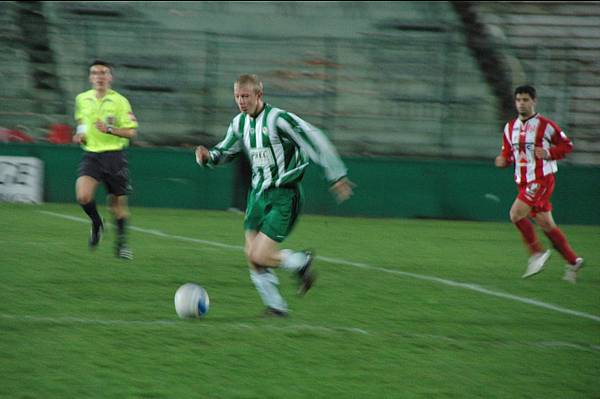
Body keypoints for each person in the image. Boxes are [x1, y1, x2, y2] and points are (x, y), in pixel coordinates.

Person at [195, 74, 354, 316]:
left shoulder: (278, 119)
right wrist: (208, 157)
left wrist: (336, 175)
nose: (241, 101)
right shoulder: (239, 124)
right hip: (257, 195)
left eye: (245, 96)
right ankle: (276, 307)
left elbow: (314, 136)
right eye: (237, 96)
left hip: (284, 196)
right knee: (252, 256)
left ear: (259, 95)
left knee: (260, 254)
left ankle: (300, 262)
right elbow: (225, 150)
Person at [495, 85, 583, 282]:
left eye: (525, 99)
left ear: (534, 101)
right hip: (523, 181)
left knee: (515, 214)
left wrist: (549, 153)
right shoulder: (510, 128)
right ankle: (572, 261)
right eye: (518, 100)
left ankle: (536, 252)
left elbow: (567, 146)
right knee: (546, 223)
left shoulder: (545, 125)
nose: (521, 103)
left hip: (541, 178)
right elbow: (508, 153)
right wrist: (502, 160)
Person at [72, 60, 138, 259]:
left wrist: (109, 129)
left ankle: (121, 244)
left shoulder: (120, 101)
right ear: (90, 77)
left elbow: (131, 132)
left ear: (110, 77)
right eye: (95, 73)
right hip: (91, 155)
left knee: (117, 206)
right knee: (83, 196)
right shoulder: (82, 99)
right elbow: (81, 121)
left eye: (103, 73)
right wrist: (80, 134)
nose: (99, 76)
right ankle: (96, 222)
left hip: (114, 156)